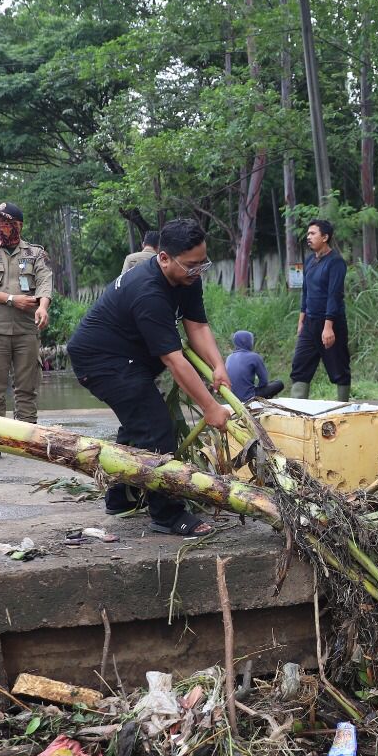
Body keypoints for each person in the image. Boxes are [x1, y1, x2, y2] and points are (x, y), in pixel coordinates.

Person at [67, 218, 233, 536]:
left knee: (138, 426)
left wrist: (218, 365)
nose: (198, 271)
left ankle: (119, 497)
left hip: (129, 357)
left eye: (203, 263)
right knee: (156, 430)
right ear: (164, 257)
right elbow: (174, 360)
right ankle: (167, 513)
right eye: (191, 266)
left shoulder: (187, 276)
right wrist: (211, 408)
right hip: (102, 362)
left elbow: (197, 325)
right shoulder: (149, 292)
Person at [0, 202, 54, 460]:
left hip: (27, 329)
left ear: (18, 224)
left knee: (26, 388)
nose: (1, 226)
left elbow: (45, 282)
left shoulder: (35, 253)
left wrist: (43, 307)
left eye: (7, 222)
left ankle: (27, 440)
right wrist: (10, 299)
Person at [289, 219, 350, 401]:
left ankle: (343, 408)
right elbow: (306, 292)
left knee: (339, 366)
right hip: (310, 323)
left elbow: (334, 295)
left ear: (325, 237)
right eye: (308, 234)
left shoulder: (336, 262)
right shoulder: (309, 261)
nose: (308, 237)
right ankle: (297, 410)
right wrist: (301, 321)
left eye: (312, 233)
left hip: (332, 323)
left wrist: (328, 326)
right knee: (300, 366)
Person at [226, 330, 283, 402]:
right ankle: (262, 402)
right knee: (279, 383)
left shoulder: (229, 357)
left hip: (232, 398)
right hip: (249, 397)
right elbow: (264, 381)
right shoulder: (254, 357)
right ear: (249, 342)